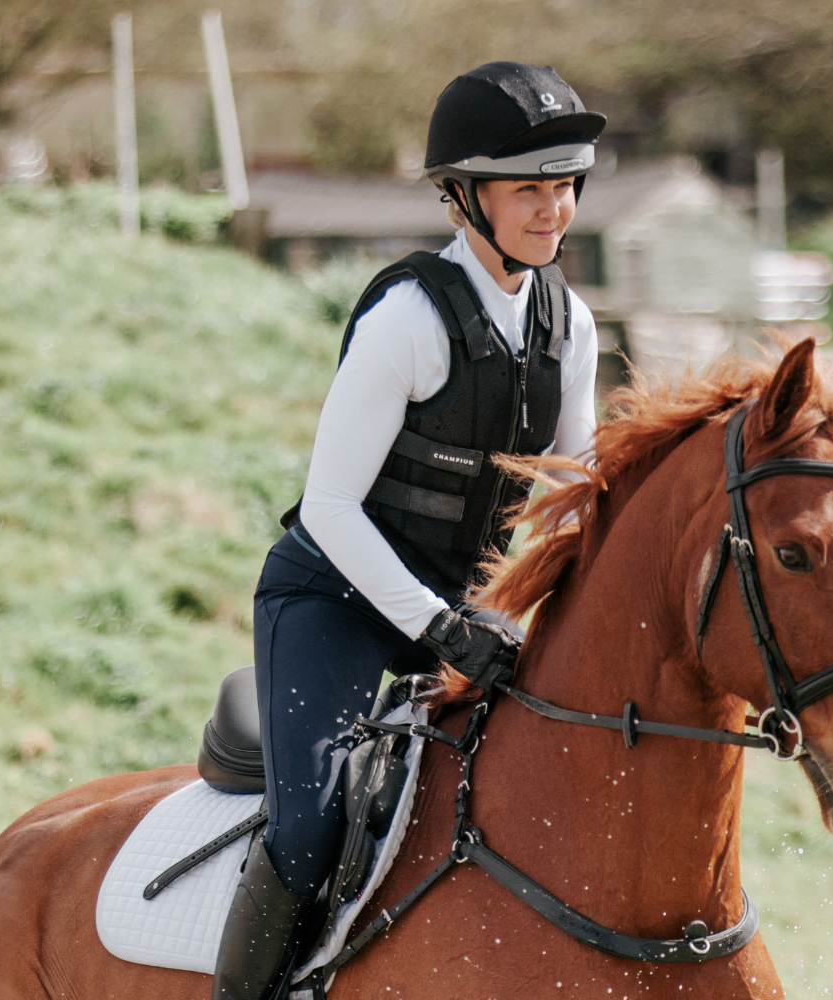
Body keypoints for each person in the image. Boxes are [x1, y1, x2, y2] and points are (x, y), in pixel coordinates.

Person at [213, 61, 605, 1000]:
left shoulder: (571, 325)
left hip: (467, 614)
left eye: (564, 187)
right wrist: (440, 625)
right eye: (528, 190)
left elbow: (578, 492)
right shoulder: (407, 320)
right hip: (334, 602)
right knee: (311, 833)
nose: (552, 210)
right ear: (463, 196)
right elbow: (329, 510)